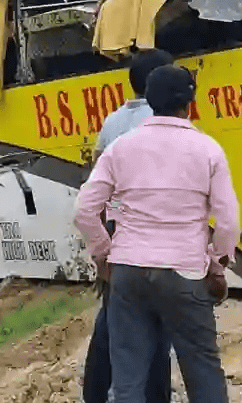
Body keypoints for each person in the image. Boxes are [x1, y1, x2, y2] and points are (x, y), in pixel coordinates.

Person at [74, 64, 239, 403]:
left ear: (148, 100)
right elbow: (227, 221)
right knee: (203, 370)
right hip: (184, 272)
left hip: (129, 272)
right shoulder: (208, 150)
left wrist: (105, 253)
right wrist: (216, 265)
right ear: (191, 103)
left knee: (128, 381)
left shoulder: (120, 147)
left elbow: (86, 209)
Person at [81, 49, 176, 403]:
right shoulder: (165, 120)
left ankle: (95, 392)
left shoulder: (112, 123)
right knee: (157, 323)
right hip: (155, 235)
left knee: (113, 317)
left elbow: (103, 187)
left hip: (117, 228)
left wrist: (117, 217)